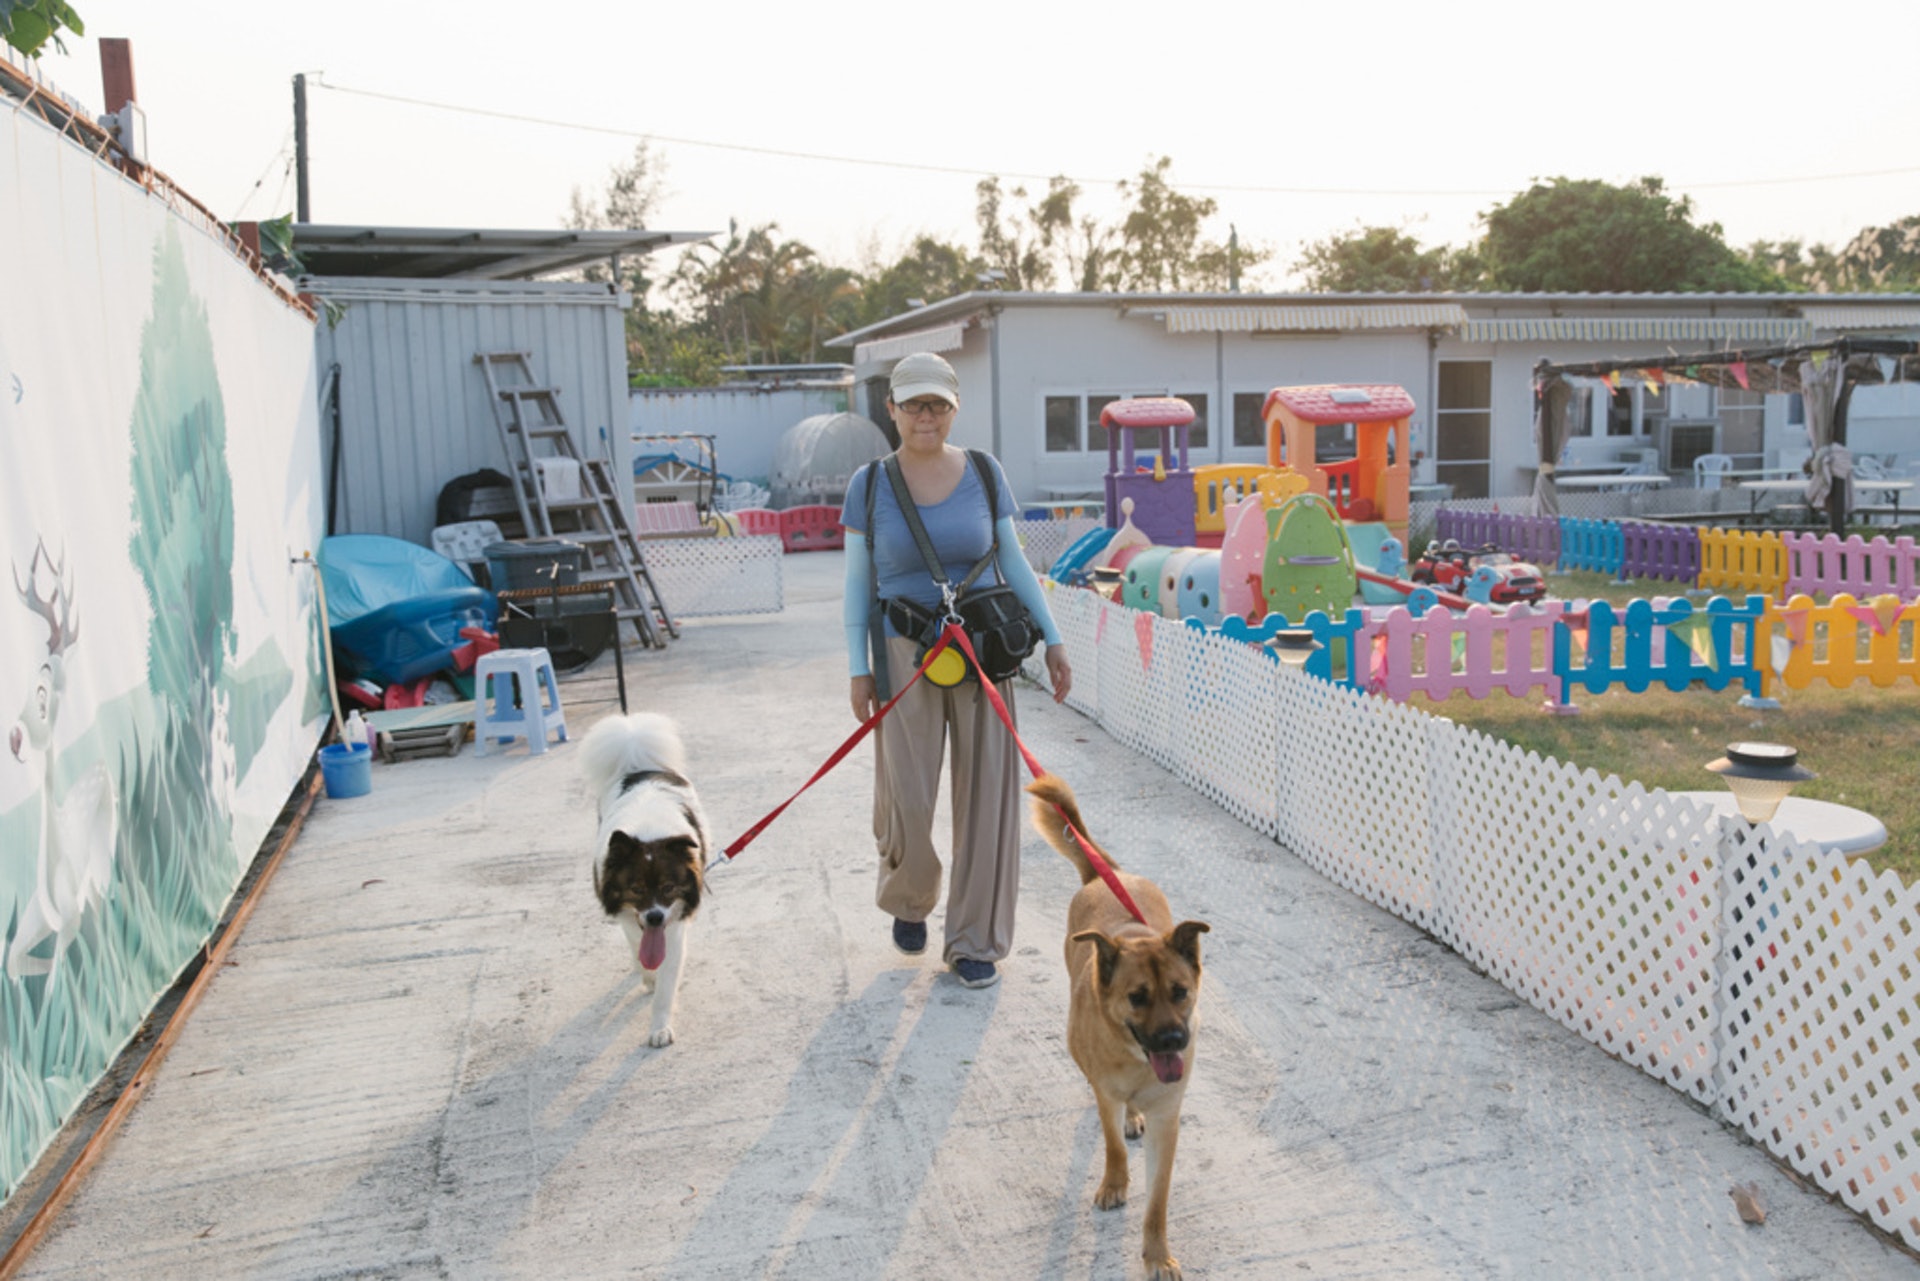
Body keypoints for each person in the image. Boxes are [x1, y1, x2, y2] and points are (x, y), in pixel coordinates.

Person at [840, 352, 1072, 989]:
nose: (925, 416)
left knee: (988, 799)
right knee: (906, 797)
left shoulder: (984, 473)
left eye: (937, 404)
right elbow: (858, 583)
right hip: (901, 654)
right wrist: (857, 668)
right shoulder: (871, 483)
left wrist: (1052, 638)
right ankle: (911, 895)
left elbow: (1015, 564)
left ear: (953, 409)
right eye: (912, 404)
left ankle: (974, 941)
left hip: (980, 652)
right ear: (890, 410)